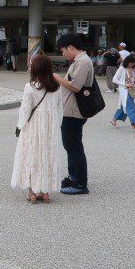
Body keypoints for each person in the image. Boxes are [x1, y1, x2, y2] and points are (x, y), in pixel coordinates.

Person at [11, 54, 63, 203]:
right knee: (47, 155)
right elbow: (60, 109)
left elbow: (25, 110)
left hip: (33, 127)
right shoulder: (57, 87)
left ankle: (33, 193)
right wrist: (56, 126)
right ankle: (45, 192)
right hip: (50, 128)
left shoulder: (30, 87)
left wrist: (20, 125)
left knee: (32, 155)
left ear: (35, 69)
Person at [52, 34, 93, 195]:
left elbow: (75, 87)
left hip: (74, 111)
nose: (63, 54)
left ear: (70, 47)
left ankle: (80, 183)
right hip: (70, 109)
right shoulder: (79, 61)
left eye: (63, 51)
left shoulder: (82, 62)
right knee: (70, 146)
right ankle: (73, 176)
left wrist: (57, 78)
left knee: (73, 147)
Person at [109, 55, 135, 134]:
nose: (132, 64)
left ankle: (113, 120)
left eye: (134, 63)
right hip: (124, 91)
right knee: (131, 108)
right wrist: (124, 84)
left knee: (123, 106)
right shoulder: (122, 68)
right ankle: (134, 126)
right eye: (131, 63)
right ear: (127, 61)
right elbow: (114, 79)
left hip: (131, 90)